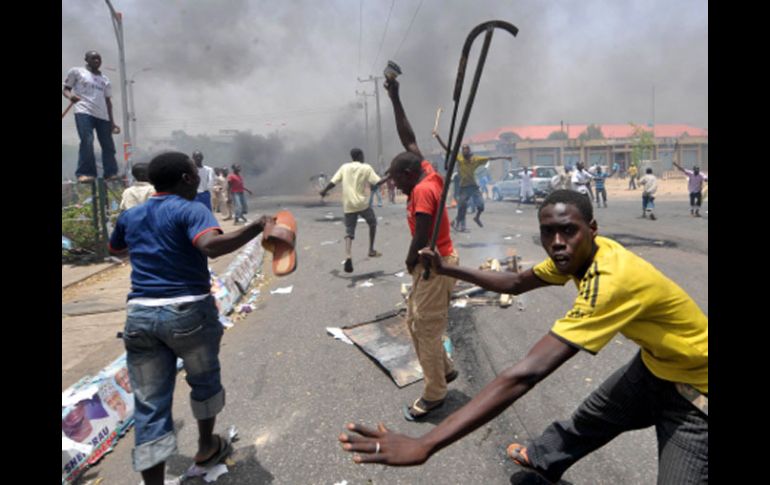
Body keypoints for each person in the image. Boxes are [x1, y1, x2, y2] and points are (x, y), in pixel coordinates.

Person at [339, 189, 708, 484]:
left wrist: (427, 444)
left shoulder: (610, 281)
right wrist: (450, 269)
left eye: (569, 230)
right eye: (549, 232)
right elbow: (514, 282)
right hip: (656, 364)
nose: (558, 242)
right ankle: (543, 458)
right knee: (594, 417)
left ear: (592, 229)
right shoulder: (582, 255)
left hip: (697, 392)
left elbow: (525, 374)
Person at [109, 151, 274, 485]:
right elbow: (211, 245)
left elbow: (116, 250)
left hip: (140, 314)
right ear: (186, 178)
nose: (197, 176)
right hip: (188, 313)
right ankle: (205, 446)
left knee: (150, 404)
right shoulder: (192, 209)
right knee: (204, 382)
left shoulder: (132, 215)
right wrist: (256, 226)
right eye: (193, 172)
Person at [382, 77, 460, 420]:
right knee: (417, 323)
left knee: (425, 329)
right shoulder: (423, 171)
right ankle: (444, 369)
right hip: (436, 262)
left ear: (410, 174)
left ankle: (435, 394)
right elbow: (409, 138)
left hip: (434, 262)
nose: (394, 184)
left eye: (397, 178)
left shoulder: (423, 191)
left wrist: (410, 260)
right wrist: (395, 97)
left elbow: (424, 235)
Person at [320, 148, 383, 273]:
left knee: (349, 232)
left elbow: (333, 182)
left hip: (348, 205)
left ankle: (348, 255)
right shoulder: (366, 168)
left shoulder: (344, 167)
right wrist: (391, 175)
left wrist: (324, 191)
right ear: (360, 156)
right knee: (373, 223)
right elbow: (378, 182)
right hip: (362, 204)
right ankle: (371, 249)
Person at [63, 50, 121, 183]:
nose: (97, 61)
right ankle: (85, 173)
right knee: (87, 141)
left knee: (108, 145)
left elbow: (108, 101)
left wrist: (112, 122)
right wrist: (71, 96)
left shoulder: (104, 79)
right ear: (86, 60)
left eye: (99, 59)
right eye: (93, 58)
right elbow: (66, 89)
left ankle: (110, 172)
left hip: (103, 116)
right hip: (84, 111)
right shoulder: (76, 72)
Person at [433, 133, 511, 231]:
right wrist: (438, 137)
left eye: (466, 150)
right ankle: (457, 223)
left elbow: (491, 158)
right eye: (463, 150)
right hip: (464, 188)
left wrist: (505, 158)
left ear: (469, 152)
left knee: (481, 206)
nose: (465, 151)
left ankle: (477, 217)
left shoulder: (476, 159)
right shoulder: (459, 158)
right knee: (462, 208)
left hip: (473, 187)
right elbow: (447, 149)